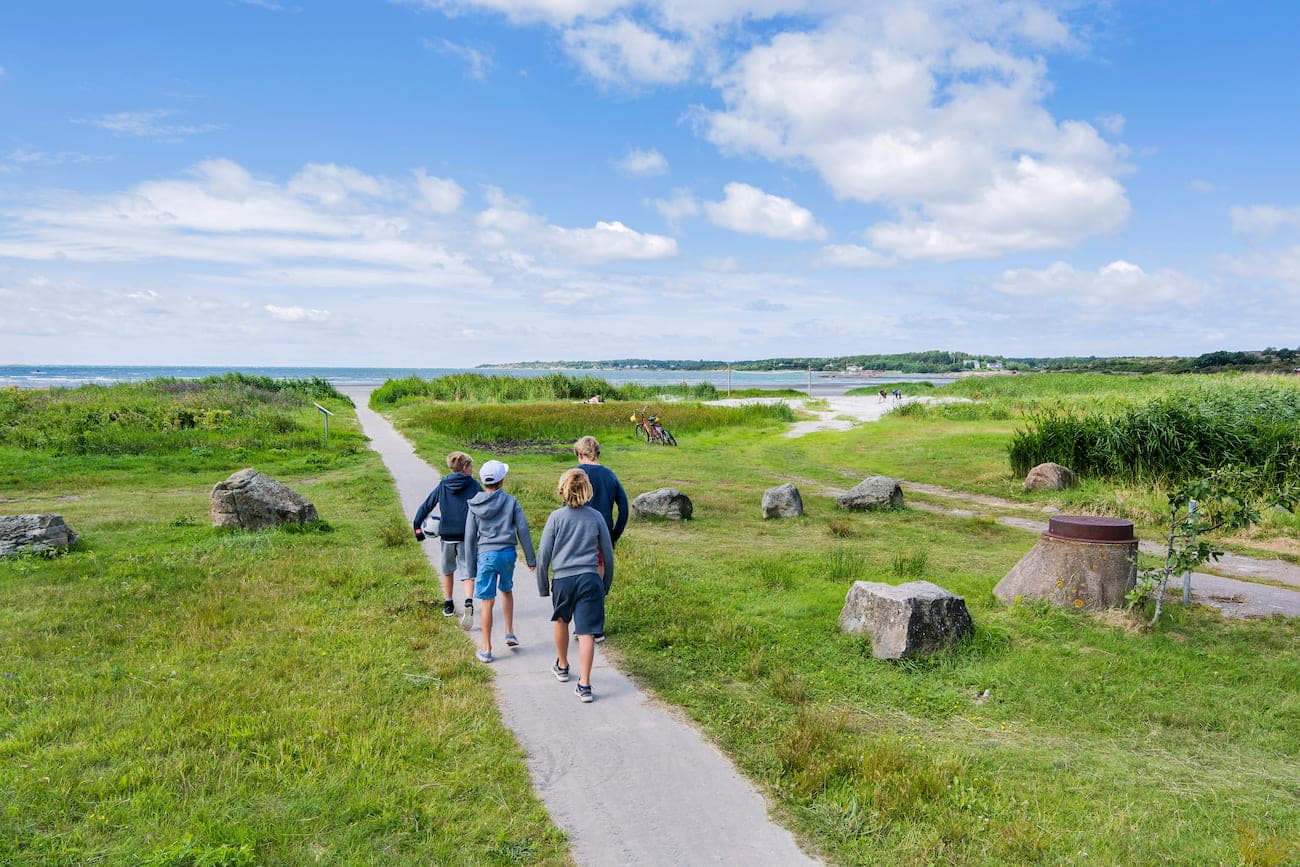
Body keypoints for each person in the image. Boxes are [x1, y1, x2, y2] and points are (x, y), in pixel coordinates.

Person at [536, 468, 614, 703]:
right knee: (586, 631)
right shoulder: (596, 517)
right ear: (588, 490)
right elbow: (607, 555)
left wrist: (543, 585)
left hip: (563, 579)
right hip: (590, 579)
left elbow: (544, 556)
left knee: (561, 620)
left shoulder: (556, 518)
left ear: (562, 489)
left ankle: (562, 665)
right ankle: (585, 684)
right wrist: (605, 584)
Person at [464, 460, 536, 663]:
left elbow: (469, 537)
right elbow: (523, 530)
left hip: (485, 555)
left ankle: (486, 648)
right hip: (506, 554)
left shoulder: (474, 505)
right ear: (502, 481)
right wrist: (531, 559)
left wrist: (471, 568)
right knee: (506, 590)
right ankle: (509, 632)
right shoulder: (511, 501)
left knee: (487, 601)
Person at [413, 452, 482, 622]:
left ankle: (448, 604)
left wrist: (418, 528)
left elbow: (427, 505)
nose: (473, 470)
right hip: (467, 535)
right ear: (465, 468)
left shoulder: (443, 485)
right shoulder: (473, 485)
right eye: (471, 466)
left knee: (447, 570)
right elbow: (486, 505)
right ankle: (468, 601)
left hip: (447, 535)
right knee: (468, 572)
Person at [573, 435, 627, 643]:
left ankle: (581, 627)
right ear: (598, 453)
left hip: (577, 535)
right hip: (602, 535)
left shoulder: (575, 474)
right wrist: (615, 533)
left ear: (580, 454)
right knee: (597, 580)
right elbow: (623, 507)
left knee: (578, 578)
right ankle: (597, 628)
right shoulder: (610, 475)